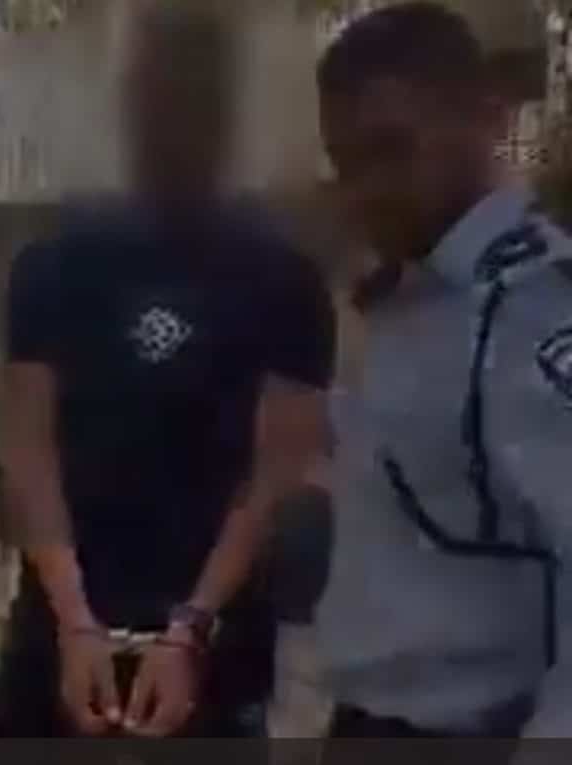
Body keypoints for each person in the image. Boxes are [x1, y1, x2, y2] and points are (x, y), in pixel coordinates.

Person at [0, 0, 335, 740]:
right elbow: (29, 450)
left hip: (215, 642)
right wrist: (75, 623)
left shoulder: (284, 278)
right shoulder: (56, 262)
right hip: (59, 629)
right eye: (156, 95)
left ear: (225, 114)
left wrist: (189, 628)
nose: (172, 119)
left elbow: (273, 475)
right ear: (130, 106)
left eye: (193, 97)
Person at [306, 0, 572, 745]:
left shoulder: (533, 313)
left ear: (485, 119)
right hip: (367, 723)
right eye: (347, 164)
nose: (367, 189)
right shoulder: (405, 300)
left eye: (393, 149)